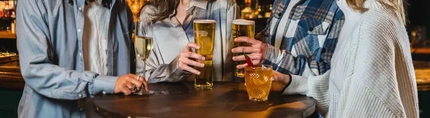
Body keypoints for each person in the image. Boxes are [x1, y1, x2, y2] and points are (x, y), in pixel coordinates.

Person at [235, 0, 420, 117]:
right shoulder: (363, 15)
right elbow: (344, 89)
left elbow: (374, 109)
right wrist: (290, 82)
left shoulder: (372, 23)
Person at [16, 0, 149, 117]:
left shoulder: (121, 8)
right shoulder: (36, 2)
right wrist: (105, 83)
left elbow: (128, 72)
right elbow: (36, 70)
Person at [137, 0, 238, 83]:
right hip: (164, 106)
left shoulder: (224, 8)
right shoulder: (150, 14)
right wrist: (174, 67)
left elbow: (237, 74)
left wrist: (252, 61)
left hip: (214, 105)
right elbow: (143, 78)